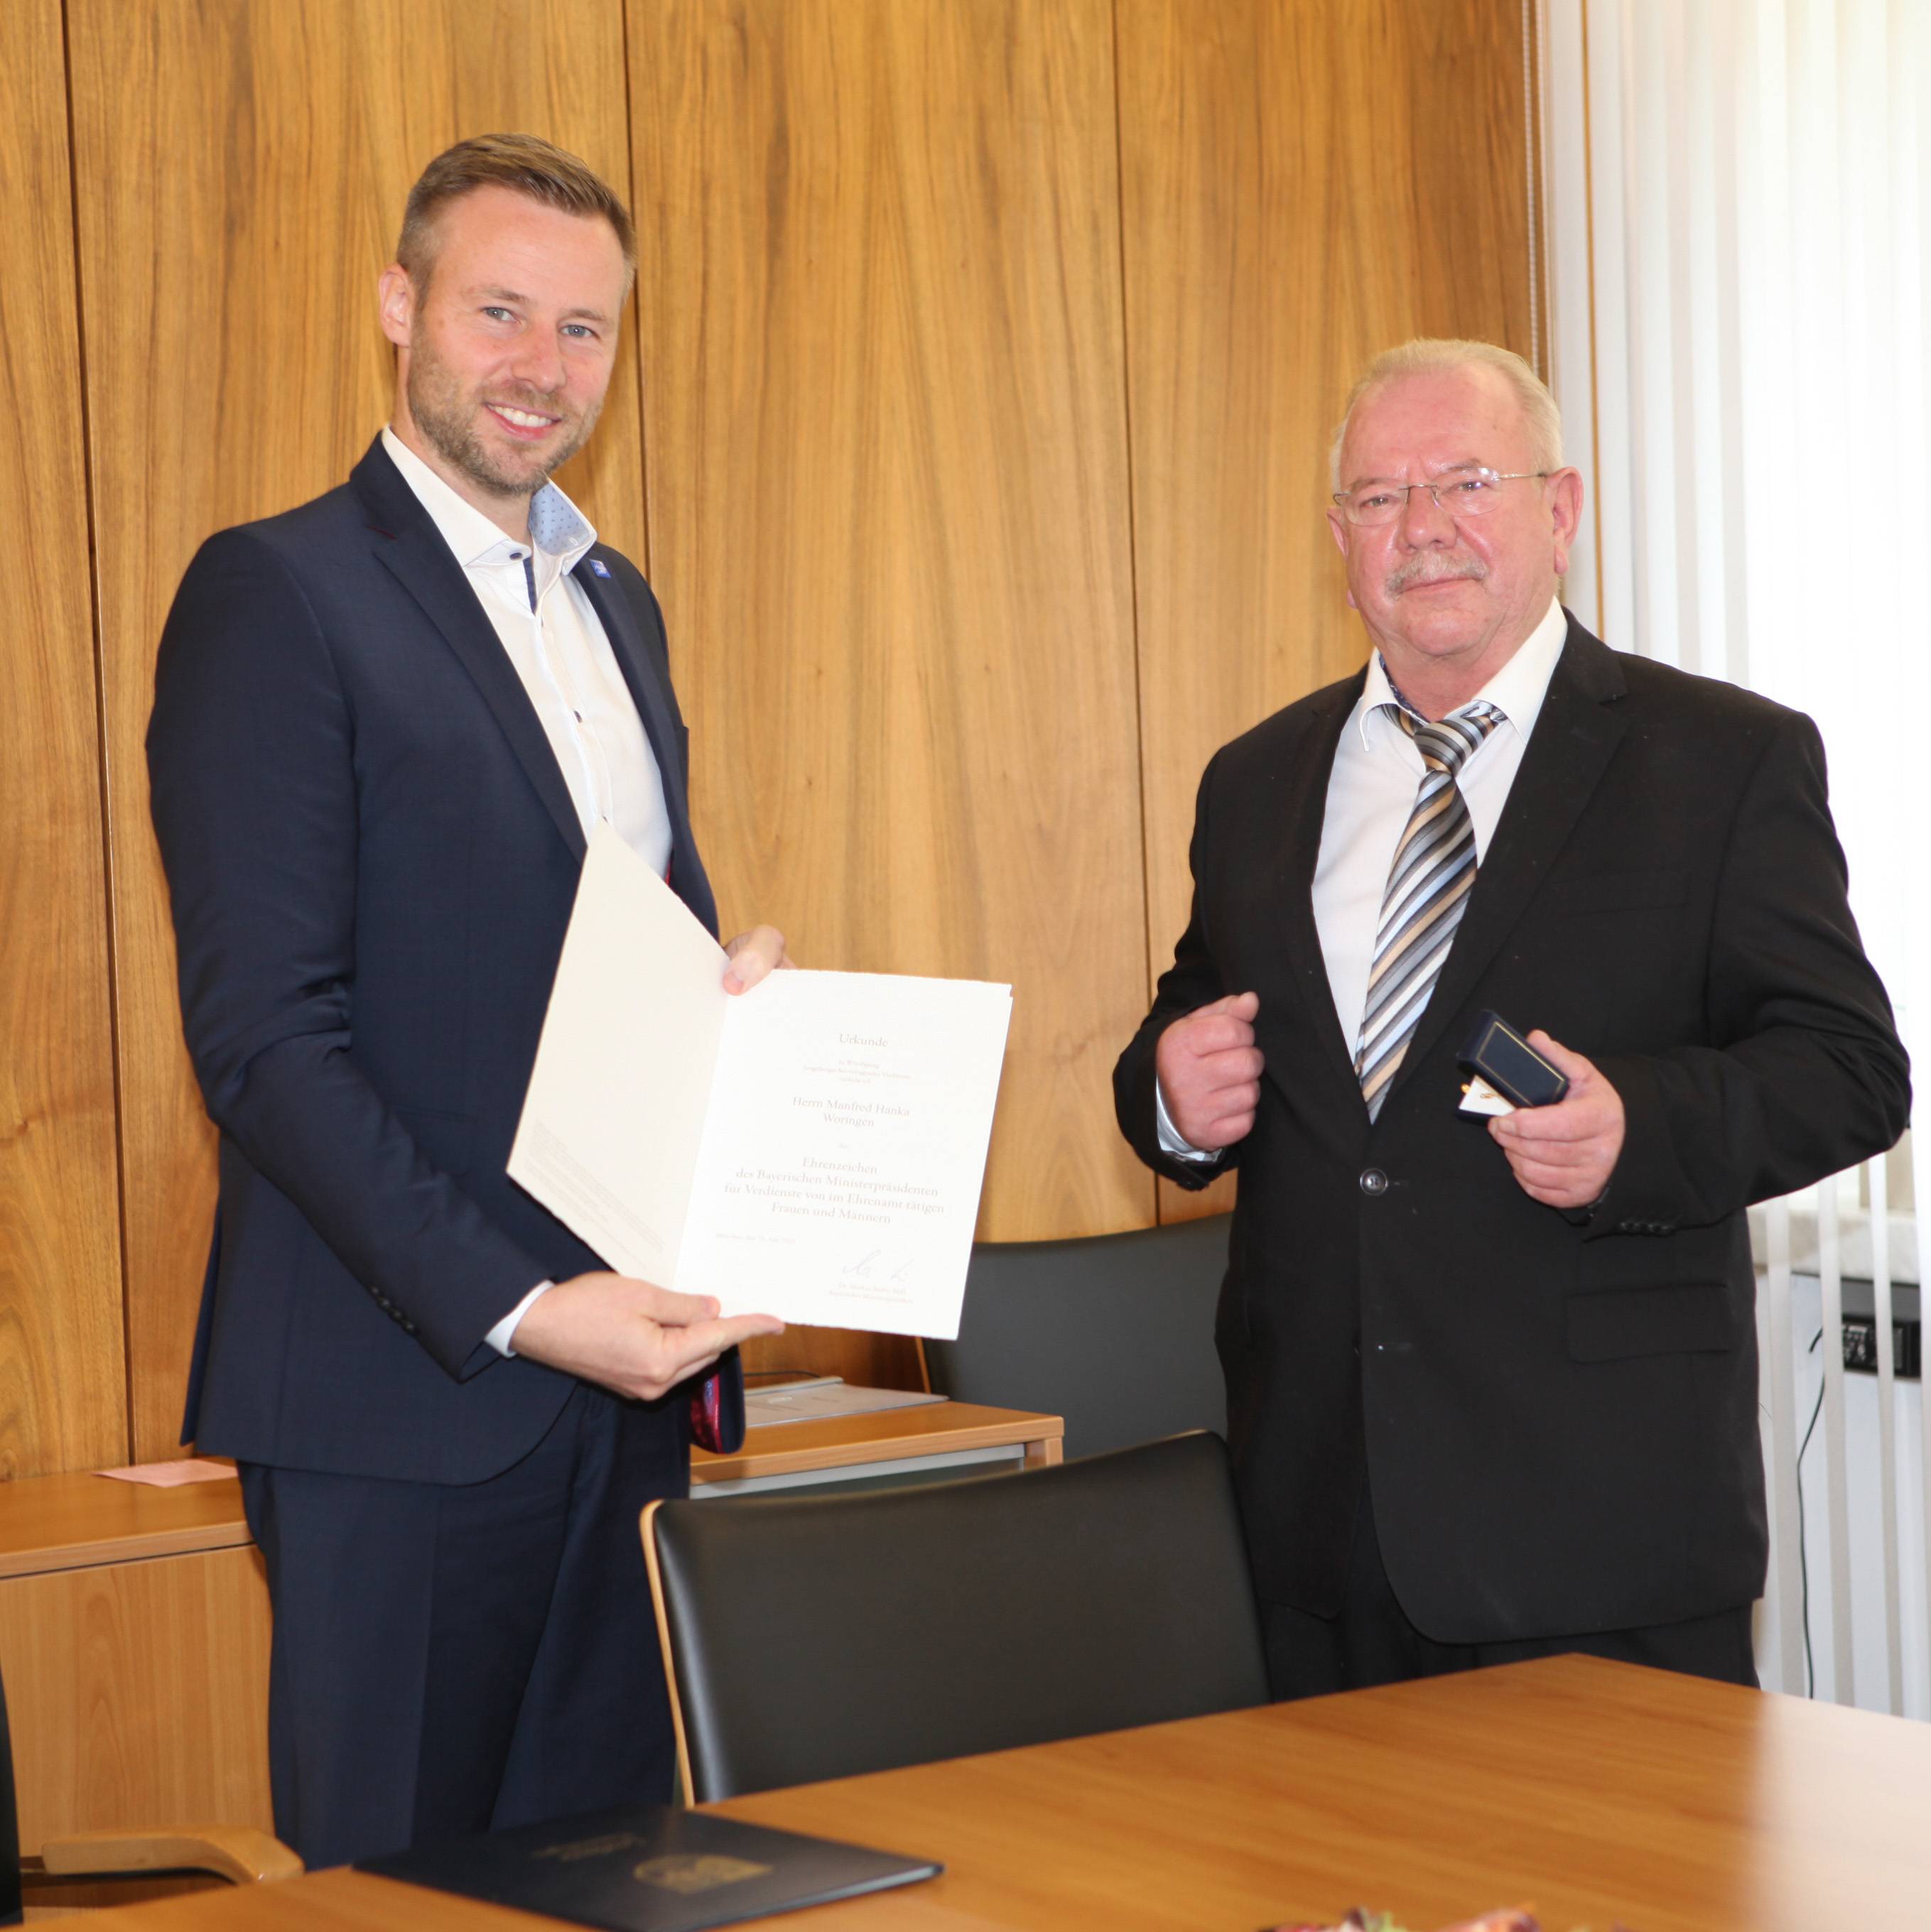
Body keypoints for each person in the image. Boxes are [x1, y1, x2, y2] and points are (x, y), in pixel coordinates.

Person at [147, 134, 784, 1867]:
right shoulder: (277, 593)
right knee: (402, 1902)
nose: (542, 365)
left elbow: (588, 958)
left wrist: (725, 1017)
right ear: (399, 306)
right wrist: (524, 1304)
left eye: (584, 329)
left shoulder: (615, 603)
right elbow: (267, 1042)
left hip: (622, 1400)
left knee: (613, 1882)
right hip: (404, 1403)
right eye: (500, 310)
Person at [1113, 338, 1908, 1698]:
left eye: (1465, 481)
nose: (1421, 528)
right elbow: (1198, 1026)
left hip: (1597, 1528)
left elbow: (1850, 1069)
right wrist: (1167, 1103)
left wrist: (1637, 1128)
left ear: (1561, 507)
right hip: (1314, 1521)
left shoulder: (1720, 758)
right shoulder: (1252, 781)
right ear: (1338, 538)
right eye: (1377, 497)